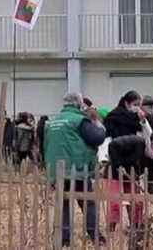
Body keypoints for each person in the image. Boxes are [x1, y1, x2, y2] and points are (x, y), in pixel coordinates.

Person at [44, 92, 106, 246]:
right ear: (79, 103)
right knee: (88, 203)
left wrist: (50, 173)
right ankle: (95, 236)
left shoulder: (52, 121)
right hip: (76, 169)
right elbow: (98, 138)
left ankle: (64, 239)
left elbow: (45, 146)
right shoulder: (79, 120)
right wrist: (96, 121)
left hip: (57, 171)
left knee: (63, 204)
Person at [106, 133, 153, 246]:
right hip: (116, 174)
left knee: (136, 203)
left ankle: (135, 229)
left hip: (132, 177)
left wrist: (152, 193)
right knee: (115, 203)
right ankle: (111, 233)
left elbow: (151, 177)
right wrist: (118, 165)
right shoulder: (136, 142)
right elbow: (112, 145)